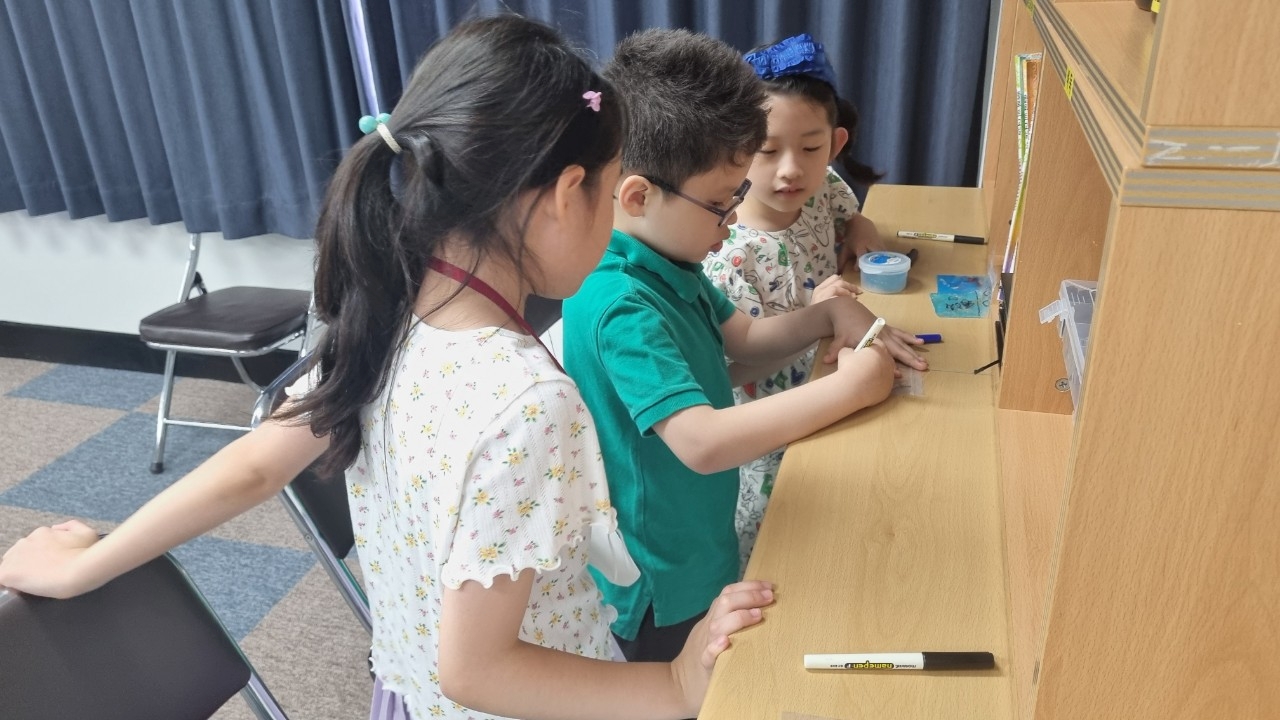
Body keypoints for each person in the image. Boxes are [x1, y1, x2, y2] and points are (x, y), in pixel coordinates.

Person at [0, 15, 773, 720]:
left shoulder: (386, 316)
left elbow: (256, 467)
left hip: (409, 694)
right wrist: (674, 686)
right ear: (568, 192)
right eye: (609, 197)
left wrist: (88, 566)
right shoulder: (527, 403)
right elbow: (481, 671)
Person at [561, 28, 923, 664]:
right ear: (639, 196)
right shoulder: (621, 304)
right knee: (695, 691)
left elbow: (746, 340)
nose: (731, 222)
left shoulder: (667, 258)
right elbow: (701, 442)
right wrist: (849, 389)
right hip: (663, 579)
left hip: (701, 542)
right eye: (719, 203)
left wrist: (827, 314)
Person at [701, 33, 924, 569]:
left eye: (809, 148)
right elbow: (727, 374)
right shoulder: (728, 255)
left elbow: (852, 215)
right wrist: (815, 318)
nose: (790, 170)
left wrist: (863, 231)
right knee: (782, 562)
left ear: (836, 143)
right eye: (767, 150)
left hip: (837, 394)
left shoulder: (823, 190)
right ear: (733, 148)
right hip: (775, 441)